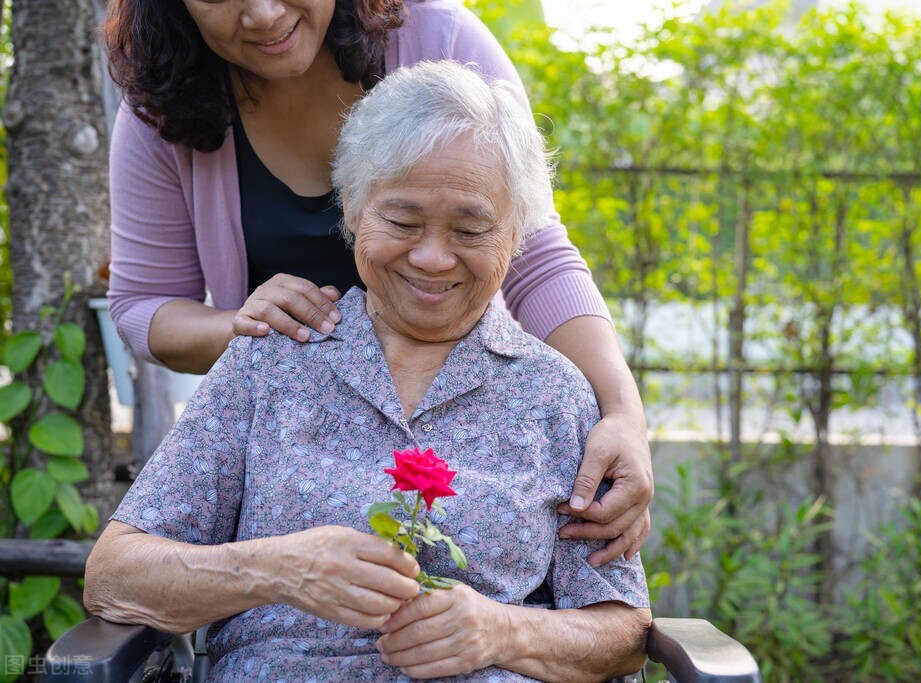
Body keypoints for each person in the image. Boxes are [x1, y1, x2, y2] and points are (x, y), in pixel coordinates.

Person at [84, 60, 651, 682]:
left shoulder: (557, 395)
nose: (433, 258)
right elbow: (114, 575)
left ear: (516, 236)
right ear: (352, 209)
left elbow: (622, 632)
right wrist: (277, 569)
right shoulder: (271, 360)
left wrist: (504, 630)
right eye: (402, 223)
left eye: (470, 228)